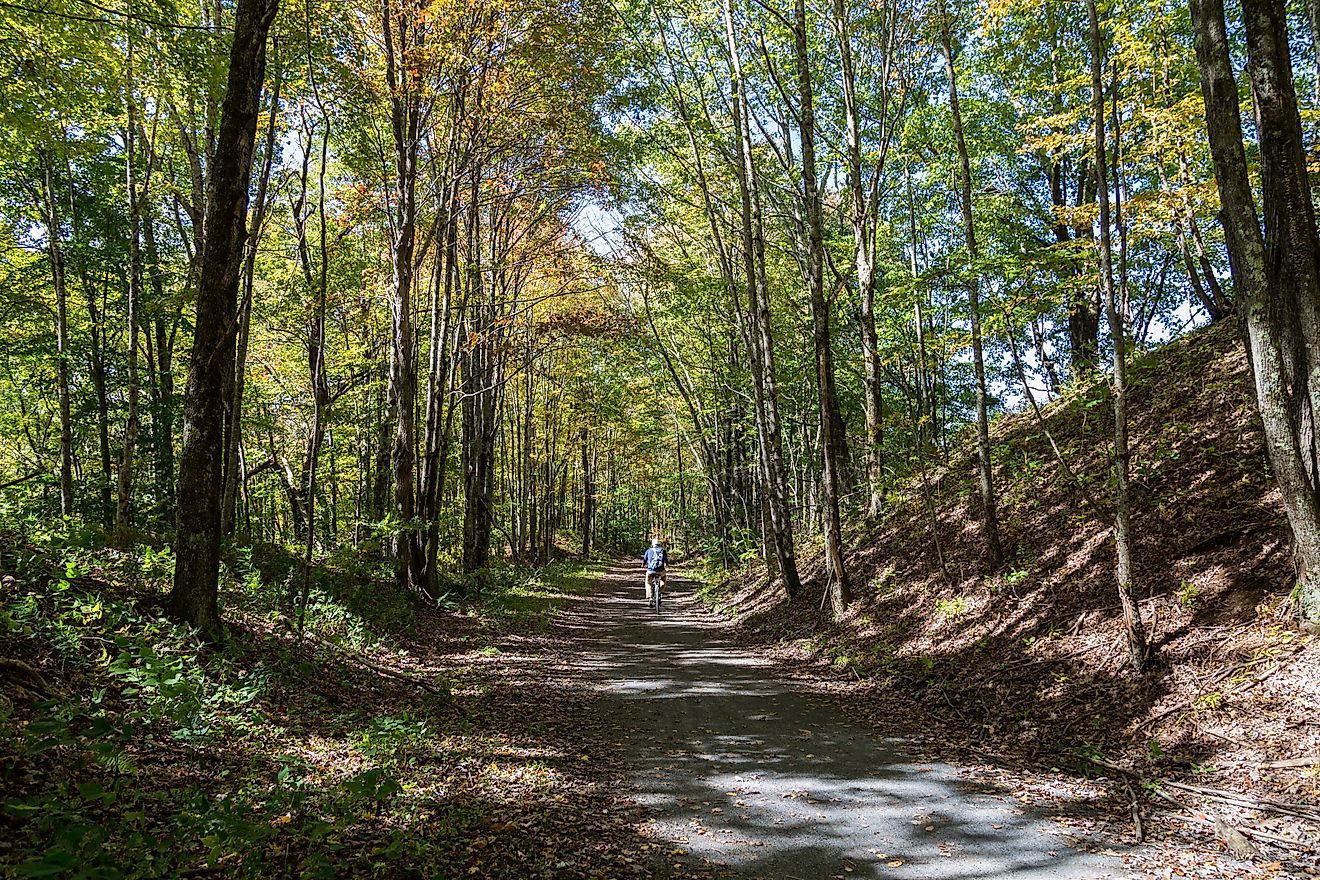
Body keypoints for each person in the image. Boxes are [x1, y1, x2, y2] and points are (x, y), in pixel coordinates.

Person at [642, 538, 668, 605]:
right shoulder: (663, 550)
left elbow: (644, 560)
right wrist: (666, 565)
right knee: (663, 579)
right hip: (661, 571)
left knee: (648, 582)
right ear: (659, 544)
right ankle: (661, 592)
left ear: (652, 544)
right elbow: (666, 560)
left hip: (651, 571)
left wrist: (643, 565)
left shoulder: (648, 551)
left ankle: (650, 597)